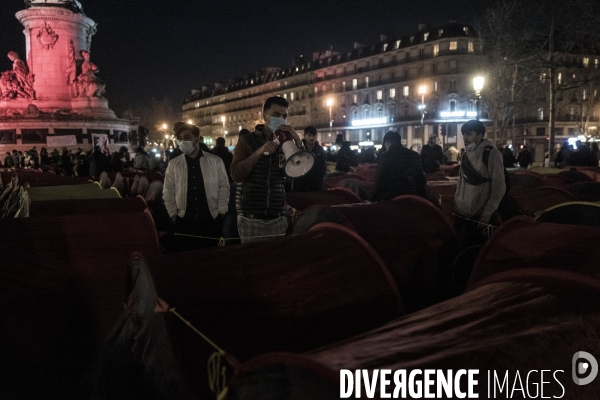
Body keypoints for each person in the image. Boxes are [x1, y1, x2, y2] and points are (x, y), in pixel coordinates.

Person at [231, 96, 302, 243]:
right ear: (265, 116)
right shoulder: (247, 140)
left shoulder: (286, 144)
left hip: (277, 217)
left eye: (284, 116)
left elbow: (299, 172)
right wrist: (259, 152)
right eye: (276, 115)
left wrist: (298, 143)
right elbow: (236, 174)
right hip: (251, 218)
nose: (281, 119)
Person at [162, 122, 229, 252]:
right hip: (184, 221)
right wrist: (173, 215)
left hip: (210, 220)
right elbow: (168, 191)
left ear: (197, 139)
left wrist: (221, 212)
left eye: (187, 137)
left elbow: (224, 187)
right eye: (180, 139)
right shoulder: (174, 164)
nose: (182, 141)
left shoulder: (215, 161)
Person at [454, 120, 506, 247]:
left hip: (479, 216)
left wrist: (487, 214)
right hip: (462, 213)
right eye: (464, 134)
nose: (465, 138)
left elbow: (499, 186)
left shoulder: (491, 153)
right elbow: (461, 180)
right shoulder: (466, 154)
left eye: (469, 134)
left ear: (479, 135)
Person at [372, 130, 427, 201]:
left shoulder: (385, 157)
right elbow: (421, 180)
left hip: (390, 200)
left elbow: (379, 181)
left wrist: (373, 200)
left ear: (387, 142)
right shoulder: (414, 155)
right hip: (411, 198)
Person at [289, 126, 327, 192]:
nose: (312, 138)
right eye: (309, 135)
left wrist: (319, 178)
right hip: (300, 185)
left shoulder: (321, 151)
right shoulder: (298, 149)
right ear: (305, 136)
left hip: (316, 186)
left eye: (314, 136)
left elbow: (323, 168)